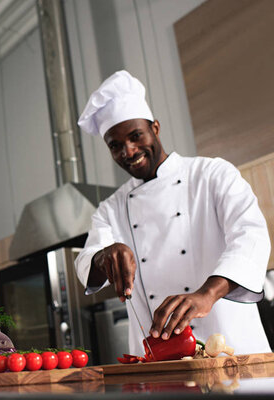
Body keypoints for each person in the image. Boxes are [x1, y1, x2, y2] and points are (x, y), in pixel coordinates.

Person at [74, 70, 272, 357]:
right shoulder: (111, 209)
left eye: (135, 136)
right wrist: (103, 256)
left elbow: (251, 236)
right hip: (162, 359)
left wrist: (207, 294)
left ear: (155, 127)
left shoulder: (212, 174)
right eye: (115, 145)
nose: (128, 151)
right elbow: (86, 263)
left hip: (231, 349)